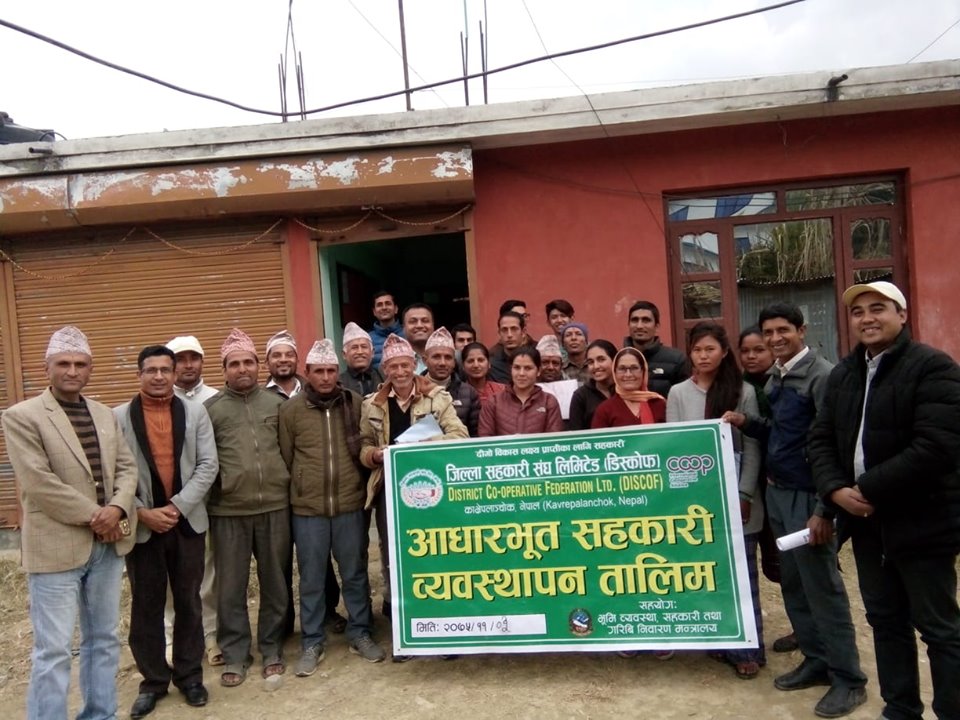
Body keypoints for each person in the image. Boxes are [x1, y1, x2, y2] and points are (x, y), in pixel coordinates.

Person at [810, 281, 960, 720]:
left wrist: (868, 489)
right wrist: (835, 491)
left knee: (939, 628)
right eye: (858, 312)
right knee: (885, 621)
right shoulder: (844, 374)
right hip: (867, 526)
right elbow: (820, 439)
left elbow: (937, 446)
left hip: (923, 522)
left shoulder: (933, 368)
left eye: (878, 308)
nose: (867, 318)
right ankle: (900, 709)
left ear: (902, 315)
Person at [723, 303, 867, 719]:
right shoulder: (777, 376)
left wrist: (825, 508)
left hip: (810, 498)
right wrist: (745, 422)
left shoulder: (822, 376)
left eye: (783, 330)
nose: (775, 338)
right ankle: (817, 660)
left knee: (823, 587)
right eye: (768, 332)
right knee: (794, 583)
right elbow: (780, 433)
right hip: (779, 493)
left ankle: (848, 678)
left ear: (801, 330)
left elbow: (835, 443)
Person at [1, 326, 138, 720]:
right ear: (47, 367)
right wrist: (98, 515)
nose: (72, 371)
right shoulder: (22, 416)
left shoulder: (104, 414)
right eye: (64, 363)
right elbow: (38, 482)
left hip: (106, 547)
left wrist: (118, 508)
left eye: (80, 364)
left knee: (104, 638)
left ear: (90, 368)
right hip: (56, 547)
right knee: (54, 649)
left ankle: (100, 713)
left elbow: (127, 468)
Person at [115, 345, 219, 717]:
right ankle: (154, 681)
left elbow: (208, 465)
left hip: (186, 522)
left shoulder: (195, 412)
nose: (158, 376)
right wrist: (141, 512)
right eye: (151, 370)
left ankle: (190, 677)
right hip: (143, 526)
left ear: (174, 375)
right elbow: (112, 474)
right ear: (139, 375)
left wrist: (176, 507)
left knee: (189, 601)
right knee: (146, 605)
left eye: (165, 370)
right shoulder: (118, 417)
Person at [279, 339, 386, 677]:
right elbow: (287, 455)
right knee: (311, 577)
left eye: (330, 371)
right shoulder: (291, 411)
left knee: (354, 572)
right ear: (307, 372)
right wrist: (301, 486)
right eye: (318, 371)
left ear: (336, 372)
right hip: (308, 508)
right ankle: (312, 640)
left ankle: (360, 631)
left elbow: (366, 443)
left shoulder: (354, 403)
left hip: (349, 504)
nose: (325, 377)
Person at [666, 322, 765, 679]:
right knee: (710, 573)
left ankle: (748, 650)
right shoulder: (678, 393)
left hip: (738, 498)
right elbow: (674, 448)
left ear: (724, 352)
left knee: (744, 575)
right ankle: (719, 642)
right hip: (698, 503)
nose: (703, 356)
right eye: (697, 350)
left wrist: (743, 494)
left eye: (710, 349)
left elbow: (752, 448)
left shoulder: (744, 392)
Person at [359, 333, 469, 655]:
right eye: (393, 366)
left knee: (436, 555)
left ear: (415, 365)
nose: (400, 371)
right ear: (385, 369)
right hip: (389, 492)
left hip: (432, 489)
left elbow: (460, 436)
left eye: (405, 365)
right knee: (394, 560)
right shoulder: (372, 404)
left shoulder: (437, 397)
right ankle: (406, 633)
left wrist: (421, 445)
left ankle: (443, 629)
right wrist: (375, 455)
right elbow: (364, 445)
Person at [204, 329, 291, 687]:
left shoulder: (277, 405)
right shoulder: (211, 410)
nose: (242, 369)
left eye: (248, 362)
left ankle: (272, 648)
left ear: (258, 366)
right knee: (230, 587)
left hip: (275, 506)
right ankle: (236, 653)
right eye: (234, 364)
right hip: (228, 511)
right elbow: (204, 461)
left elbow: (289, 450)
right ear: (224, 370)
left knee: (276, 582)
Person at [739, 327, 797, 654]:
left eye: (758, 349)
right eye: (745, 350)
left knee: (791, 561)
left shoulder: (783, 384)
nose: (751, 356)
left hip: (784, 482)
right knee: (770, 564)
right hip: (753, 483)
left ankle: (807, 628)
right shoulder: (738, 388)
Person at [167, 335, 223, 667]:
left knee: (208, 572)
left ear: (202, 362)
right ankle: (173, 637)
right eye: (180, 359)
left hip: (208, 502)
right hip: (167, 505)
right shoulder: (157, 400)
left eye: (194, 358)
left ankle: (210, 634)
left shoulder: (215, 399)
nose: (188, 365)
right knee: (171, 575)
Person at [478, 347, 564, 436]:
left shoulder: (548, 401)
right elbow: (485, 438)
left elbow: (554, 439)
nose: (521, 373)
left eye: (528, 368)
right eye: (517, 368)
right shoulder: (494, 402)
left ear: (538, 371)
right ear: (510, 369)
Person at [622, 300, 689, 397]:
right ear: (628, 325)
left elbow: (685, 398)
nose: (639, 326)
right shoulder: (618, 360)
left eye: (646, 320)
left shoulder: (677, 360)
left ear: (656, 326)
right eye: (635, 320)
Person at [424, 327, 481, 437]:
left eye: (448, 357)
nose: (442, 363)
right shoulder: (413, 390)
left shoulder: (469, 393)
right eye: (436, 357)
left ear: (454, 362)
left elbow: (476, 436)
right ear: (425, 360)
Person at [591, 347, 666, 428]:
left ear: (643, 371)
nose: (628, 374)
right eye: (622, 369)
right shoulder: (605, 410)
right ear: (614, 372)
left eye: (634, 368)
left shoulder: (659, 404)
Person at [568, 339, 617, 430]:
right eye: (590, 362)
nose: (596, 366)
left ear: (615, 360)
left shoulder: (625, 390)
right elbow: (576, 433)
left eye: (601, 360)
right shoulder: (580, 396)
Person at [339, 321, 383, 397]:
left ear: (372, 352)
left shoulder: (382, 377)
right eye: (354, 347)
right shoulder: (339, 384)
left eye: (364, 347)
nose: (360, 352)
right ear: (344, 355)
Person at [461, 342, 508, 406]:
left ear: (489, 364)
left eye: (480, 360)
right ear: (463, 366)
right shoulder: (457, 393)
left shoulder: (503, 390)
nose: (476, 365)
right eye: (470, 361)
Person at [488, 311, 527, 383]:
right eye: (504, 330)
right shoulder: (491, 366)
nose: (509, 335)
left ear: (523, 332)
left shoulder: (534, 361)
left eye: (514, 329)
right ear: (499, 333)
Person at [264, 330, 303, 399]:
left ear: (297, 362)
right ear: (267, 363)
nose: (283, 360)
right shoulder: (259, 397)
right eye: (276, 355)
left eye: (289, 355)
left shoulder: (312, 393)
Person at [369, 290, 404, 368]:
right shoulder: (368, 339)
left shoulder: (408, 334)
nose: (384, 307)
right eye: (379, 305)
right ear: (374, 312)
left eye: (388, 303)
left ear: (396, 309)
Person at [401, 303, 435, 374]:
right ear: (403, 328)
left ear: (433, 326)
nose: (419, 325)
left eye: (425, 321)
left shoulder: (448, 358)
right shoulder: (391, 361)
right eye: (413, 321)